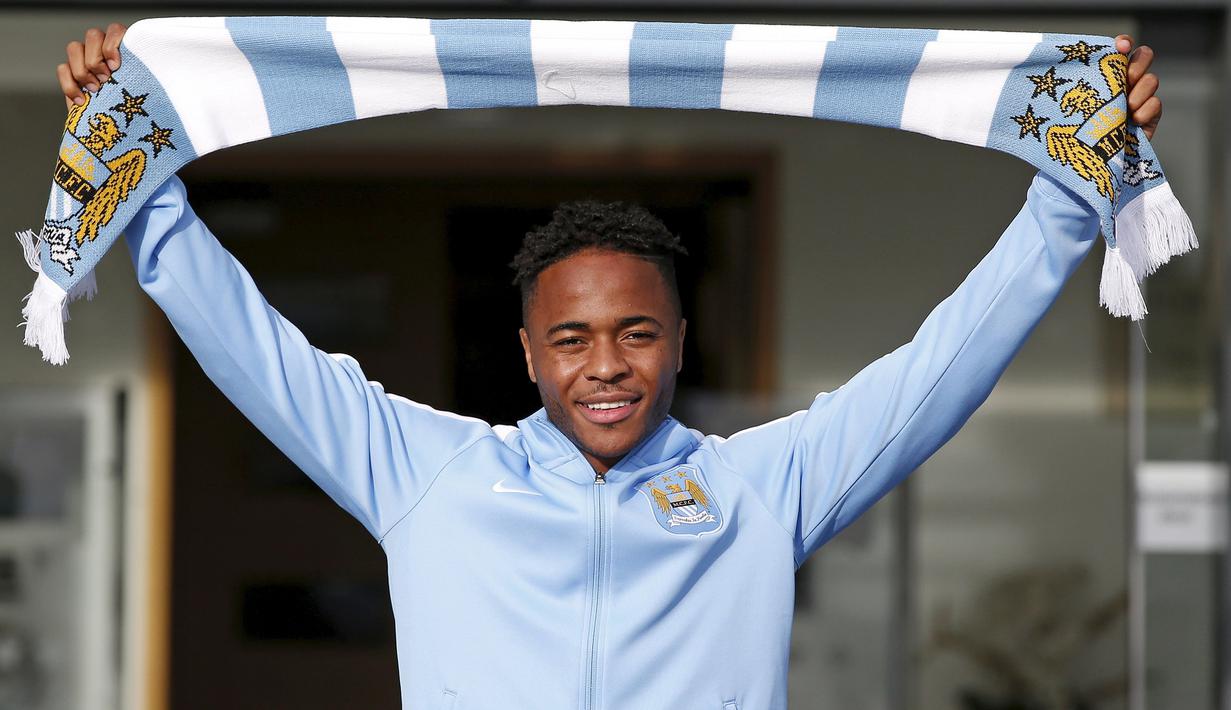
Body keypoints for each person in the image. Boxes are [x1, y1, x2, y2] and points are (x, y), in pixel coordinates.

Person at [61, 23, 1163, 710]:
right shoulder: (423, 470)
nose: (608, 367)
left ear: (679, 342)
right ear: (532, 353)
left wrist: (1070, 193)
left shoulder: (757, 488)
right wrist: (138, 170)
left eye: (637, 333)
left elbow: (938, 367)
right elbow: (254, 348)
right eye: (575, 338)